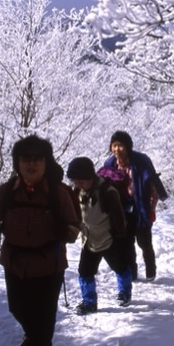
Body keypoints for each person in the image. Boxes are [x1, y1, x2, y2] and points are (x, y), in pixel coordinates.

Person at [0, 135, 80, 346]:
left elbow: (74, 226)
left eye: (37, 159)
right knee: (18, 307)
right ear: (17, 163)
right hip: (15, 263)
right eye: (25, 159)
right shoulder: (5, 193)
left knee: (45, 313)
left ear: (46, 162)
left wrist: (67, 231)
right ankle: (33, 337)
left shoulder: (58, 194)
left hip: (48, 264)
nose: (31, 164)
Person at [65, 157, 133, 314]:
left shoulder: (107, 192)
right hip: (89, 240)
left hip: (109, 240)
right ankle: (89, 302)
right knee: (84, 272)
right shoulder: (77, 191)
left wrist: (120, 237)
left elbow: (119, 218)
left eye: (82, 181)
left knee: (120, 267)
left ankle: (125, 293)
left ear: (90, 177)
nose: (78, 185)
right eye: (76, 181)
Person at [103, 130, 167, 281]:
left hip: (141, 209)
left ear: (128, 147)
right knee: (126, 243)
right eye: (114, 145)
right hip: (121, 211)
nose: (117, 149)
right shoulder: (110, 164)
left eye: (120, 145)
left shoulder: (140, 162)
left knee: (144, 242)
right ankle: (132, 272)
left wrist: (151, 208)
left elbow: (153, 188)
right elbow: (104, 186)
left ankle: (150, 270)